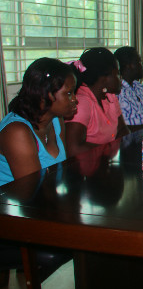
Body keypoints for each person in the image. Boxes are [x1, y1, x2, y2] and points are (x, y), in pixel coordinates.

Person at [0, 58, 78, 186]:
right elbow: (33, 189)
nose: (75, 99)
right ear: (45, 95)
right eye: (69, 93)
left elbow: (61, 172)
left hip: (46, 193)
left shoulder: (56, 120)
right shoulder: (16, 132)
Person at [65, 48, 129, 157]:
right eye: (118, 73)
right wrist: (109, 150)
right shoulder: (82, 102)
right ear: (105, 78)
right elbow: (73, 149)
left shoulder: (110, 96)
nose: (121, 78)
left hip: (107, 162)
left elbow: (122, 130)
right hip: (86, 164)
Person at [114, 46, 143, 131]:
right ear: (129, 66)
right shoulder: (117, 91)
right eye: (139, 61)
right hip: (133, 136)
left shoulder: (138, 85)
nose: (142, 65)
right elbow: (120, 128)